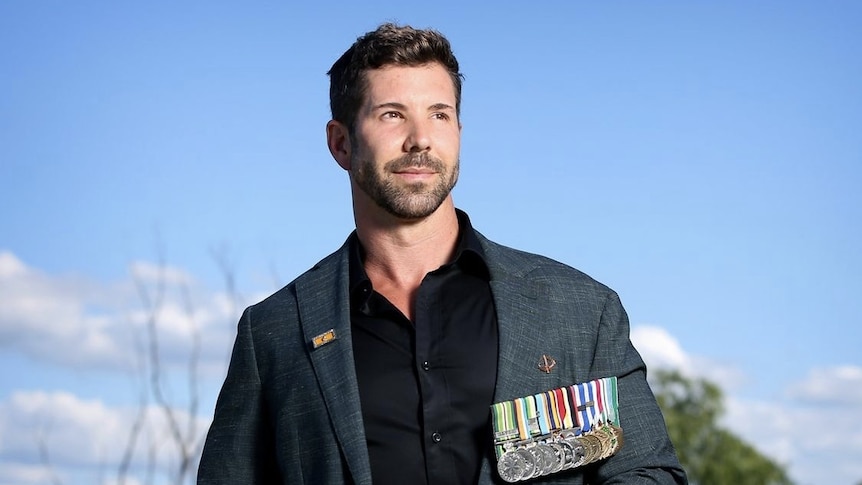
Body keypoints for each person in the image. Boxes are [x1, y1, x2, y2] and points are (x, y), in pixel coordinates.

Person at [197, 23, 687, 485]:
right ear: (341, 143)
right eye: (392, 115)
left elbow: (648, 474)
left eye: (439, 113)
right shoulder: (275, 332)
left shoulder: (580, 311)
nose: (421, 140)